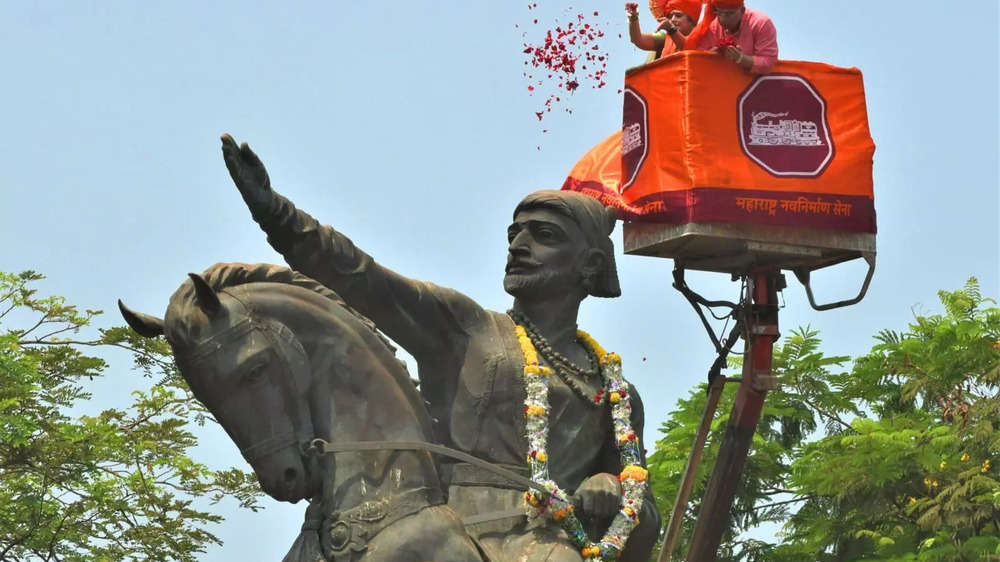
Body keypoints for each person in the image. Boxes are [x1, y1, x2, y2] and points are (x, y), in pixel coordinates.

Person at [220, 134, 661, 561]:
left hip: (545, 545)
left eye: (543, 235)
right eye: (514, 234)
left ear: (590, 265)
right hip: (438, 530)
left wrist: (610, 483)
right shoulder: (468, 327)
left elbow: (644, 509)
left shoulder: (616, 393)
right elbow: (363, 277)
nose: (518, 246)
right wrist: (275, 214)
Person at [685, 0, 778, 74]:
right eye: (719, 13)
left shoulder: (761, 23)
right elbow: (698, 59)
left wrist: (741, 58)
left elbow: (768, 62)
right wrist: (713, 54)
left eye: (729, 14)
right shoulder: (712, 25)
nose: (723, 19)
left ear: (742, 10)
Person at [625, 0, 702, 62]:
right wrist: (633, 18)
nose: (673, 20)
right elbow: (638, 40)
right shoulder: (665, 39)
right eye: (670, 16)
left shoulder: (705, 39)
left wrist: (671, 30)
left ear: (693, 21)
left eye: (678, 16)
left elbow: (688, 48)